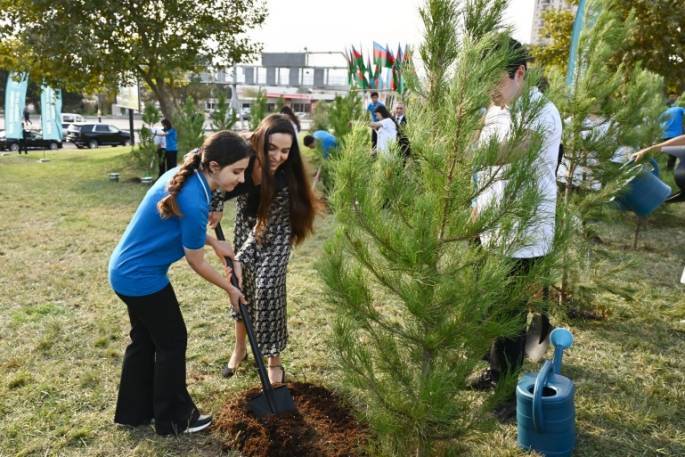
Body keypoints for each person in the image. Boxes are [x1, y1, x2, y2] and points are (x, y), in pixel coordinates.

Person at [108, 131, 252, 436]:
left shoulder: (185, 177)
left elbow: (185, 227)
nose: (241, 179)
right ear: (214, 166)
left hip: (125, 271)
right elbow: (195, 262)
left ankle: (134, 412)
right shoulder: (194, 197)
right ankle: (175, 419)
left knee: (145, 340)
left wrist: (213, 243)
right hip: (141, 277)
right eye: (237, 171)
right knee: (172, 341)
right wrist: (230, 289)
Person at [469, 38, 562, 420]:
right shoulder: (495, 109)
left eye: (493, 80)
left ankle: (507, 392)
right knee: (486, 306)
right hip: (490, 225)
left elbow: (508, 153)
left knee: (508, 317)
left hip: (523, 232)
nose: (488, 90)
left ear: (519, 73)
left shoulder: (542, 112)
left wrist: (451, 148)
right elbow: (488, 170)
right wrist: (476, 204)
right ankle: (494, 370)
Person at [209, 114, 321, 384]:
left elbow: (264, 229)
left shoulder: (284, 178)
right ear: (259, 141)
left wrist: (238, 257)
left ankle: (274, 361)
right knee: (241, 286)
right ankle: (240, 349)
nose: (278, 156)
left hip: (275, 231)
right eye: (272, 148)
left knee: (267, 290)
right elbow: (207, 164)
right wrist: (217, 203)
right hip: (245, 224)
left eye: (285, 150)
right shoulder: (242, 156)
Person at [659, 94, 685, 171]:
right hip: (675, 135)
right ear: (675, 103)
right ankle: (671, 171)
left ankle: (668, 170)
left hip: (664, 136)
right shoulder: (679, 109)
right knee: (675, 155)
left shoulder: (663, 113)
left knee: (670, 155)